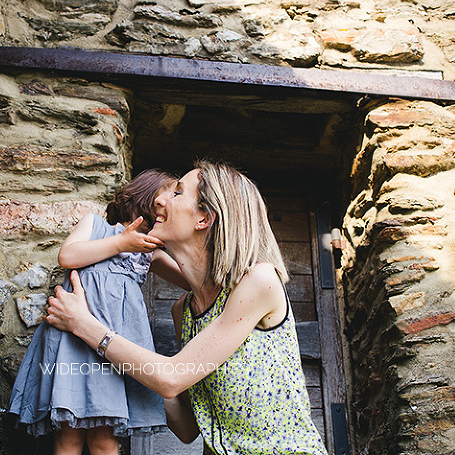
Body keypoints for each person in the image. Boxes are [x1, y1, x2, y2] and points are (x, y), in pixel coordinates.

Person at [45, 160, 328, 455]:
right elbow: (188, 427)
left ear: (204, 218)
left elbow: (171, 378)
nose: (159, 199)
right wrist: (119, 359)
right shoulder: (185, 311)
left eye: (178, 192)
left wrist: (84, 324)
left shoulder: (258, 281)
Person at [8, 169, 190, 455]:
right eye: (173, 191)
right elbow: (68, 256)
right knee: (67, 439)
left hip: (110, 350)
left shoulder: (150, 252)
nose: (175, 199)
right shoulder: (95, 226)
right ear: (149, 194)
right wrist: (122, 243)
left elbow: (192, 279)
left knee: (104, 441)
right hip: (72, 345)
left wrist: (179, 241)